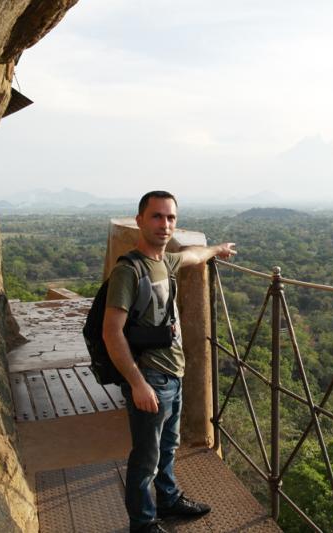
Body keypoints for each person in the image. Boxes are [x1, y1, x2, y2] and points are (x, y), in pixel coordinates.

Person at [103, 191, 236, 533]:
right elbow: (111, 332)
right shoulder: (129, 271)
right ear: (140, 221)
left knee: (167, 447)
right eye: (157, 217)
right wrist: (137, 383)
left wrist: (216, 250)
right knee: (145, 458)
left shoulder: (165, 262)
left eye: (170, 218)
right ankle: (143, 524)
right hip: (150, 377)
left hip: (173, 376)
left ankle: (168, 499)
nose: (165, 225)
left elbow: (193, 255)